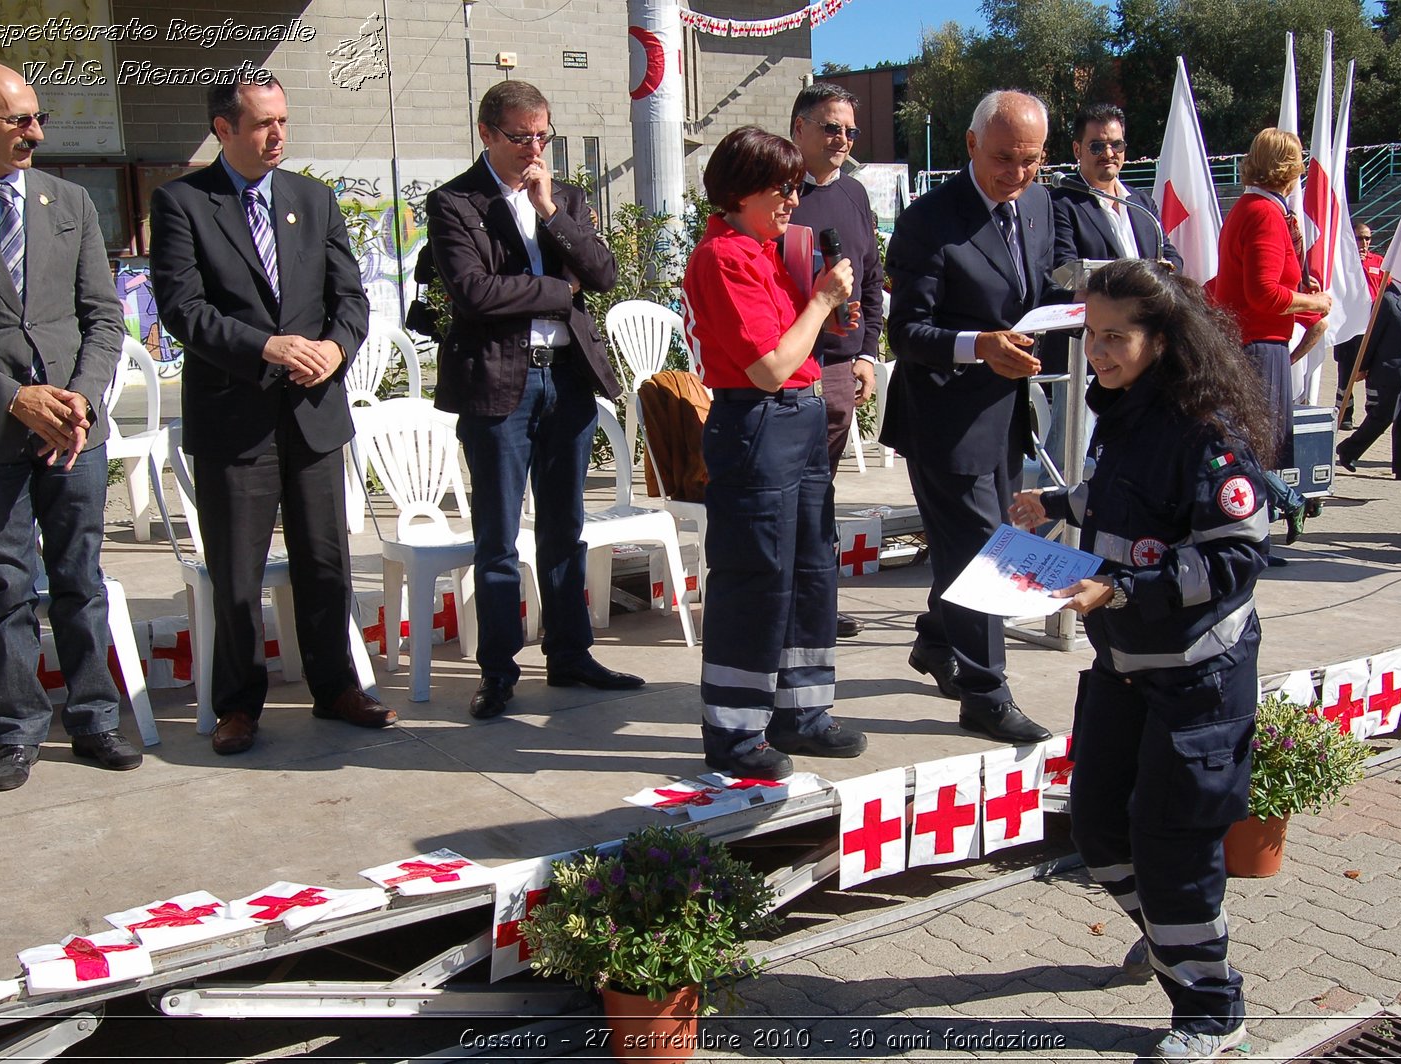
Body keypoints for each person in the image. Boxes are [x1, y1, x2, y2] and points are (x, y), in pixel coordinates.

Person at [1009, 259, 1273, 1064]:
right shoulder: (1125, 410)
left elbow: (1233, 560)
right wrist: (1055, 507)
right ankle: (1167, 938)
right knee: (1095, 824)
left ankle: (1210, 1007)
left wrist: (1118, 590)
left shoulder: (1208, 431)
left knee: (1172, 844)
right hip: (1124, 664)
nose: (1100, 353)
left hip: (1198, 675)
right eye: (1092, 336)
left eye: (1117, 337)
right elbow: (1120, 498)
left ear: (1163, 339)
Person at [151, 76, 395, 755]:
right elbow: (183, 310)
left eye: (284, 120)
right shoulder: (181, 203)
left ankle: (337, 688)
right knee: (237, 572)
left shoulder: (312, 200)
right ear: (224, 129)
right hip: (236, 416)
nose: (277, 135)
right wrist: (265, 346)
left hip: (314, 411)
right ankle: (238, 705)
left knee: (325, 561)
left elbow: (350, 298)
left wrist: (332, 348)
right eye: (262, 124)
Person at [426, 80, 641, 719]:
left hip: (566, 380)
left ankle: (570, 655)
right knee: (497, 538)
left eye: (543, 136)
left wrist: (550, 212)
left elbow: (602, 275)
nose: (534, 149)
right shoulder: (455, 202)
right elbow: (474, 294)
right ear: (487, 133)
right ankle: (498, 671)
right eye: (521, 137)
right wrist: (556, 289)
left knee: (564, 529)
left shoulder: (564, 198)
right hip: (498, 384)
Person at [0, 61, 140, 790]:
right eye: (19, 121)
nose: (36, 133)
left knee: (80, 576)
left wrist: (79, 399)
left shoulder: (67, 202)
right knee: (7, 584)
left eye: (38, 119)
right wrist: (13, 397)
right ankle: (16, 730)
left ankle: (95, 717)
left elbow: (103, 316)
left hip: (74, 431)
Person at [681, 125, 868, 779]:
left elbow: (801, 344)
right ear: (739, 191)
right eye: (779, 189)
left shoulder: (765, 249)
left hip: (800, 420)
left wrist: (827, 308)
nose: (792, 200)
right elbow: (767, 366)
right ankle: (735, 732)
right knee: (755, 579)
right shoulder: (723, 257)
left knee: (811, 570)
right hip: (757, 423)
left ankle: (802, 712)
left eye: (794, 187)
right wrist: (819, 302)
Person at [881, 90, 1059, 745]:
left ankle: (935, 639)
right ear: (971, 146)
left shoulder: (1037, 204)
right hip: (943, 419)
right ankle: (986, 694)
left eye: (1032, 160)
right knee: (989, 551)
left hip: (1005, 412)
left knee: (971, 547)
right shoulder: (929, 221)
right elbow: (907, 333)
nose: (1017, 174)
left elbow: (1041, 288)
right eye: (1005, 159)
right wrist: (979, 346)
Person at [786, 82, 884, 640]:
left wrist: (868, 352)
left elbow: (870, 279)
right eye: (830, 127)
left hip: (842, 371)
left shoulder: (854, 196)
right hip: (789, 369)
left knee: (821, 492)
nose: (842, 139)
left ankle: (819, 600)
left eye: (849, 130)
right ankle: (791, 603)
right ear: (799, 127)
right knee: (791, 491)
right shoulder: (776, 195)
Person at [1045, 102, 1183, 486]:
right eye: (1097, 146)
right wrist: (1139, 277)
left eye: (1117, 146)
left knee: (1142, 460)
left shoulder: (1140, 203)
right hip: (1088, 358)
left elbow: (1171, 257)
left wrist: (1163, 271)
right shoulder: (1063, 204)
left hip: (1145, 353)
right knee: (1068, 465)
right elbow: (1064, 269)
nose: (1109, 154)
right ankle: (1055, 539)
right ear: (1077, 150)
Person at [1211, 128, 1332, 554]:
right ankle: (1262, 530)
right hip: (1257, 345)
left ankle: (1258, 536)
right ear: (1289, 168)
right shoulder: (1264, 213)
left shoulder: (1250, 209)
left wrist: (1301, 291)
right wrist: (1313, 299)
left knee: (1246, 450)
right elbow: (1262, 293)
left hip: (1254, 342)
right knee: (1249, 451)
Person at [1334, 281, 1401, 482]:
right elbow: (1372, 336)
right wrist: (1362, 366)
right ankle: (1348, 449)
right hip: (1389, 369)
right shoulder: (1387, 299)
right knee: (1383, 416)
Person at [1330, 221, 1384, 428]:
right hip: (1348, 327)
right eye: (1360, 238)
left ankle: (1373, 415)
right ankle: (1344, 414)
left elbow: (1384, 291)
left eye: (1367, 238)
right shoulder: (1342, 263)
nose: (1364, 243)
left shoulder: (1378, 262)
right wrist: (1355, 265)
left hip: (1371, 327)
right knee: (1347, 372)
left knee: (1373, 372)